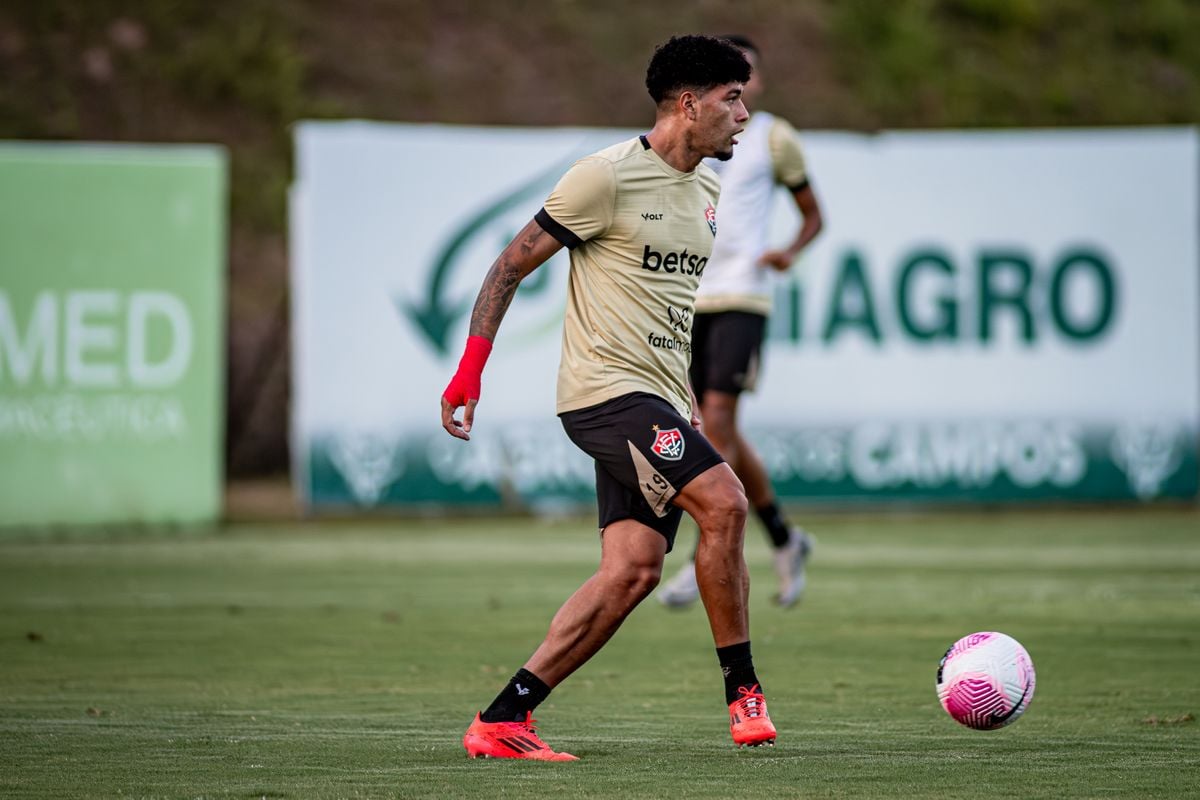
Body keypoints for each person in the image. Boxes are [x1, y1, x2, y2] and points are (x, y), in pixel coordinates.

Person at [441, 35, 775, 761]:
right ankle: (743, 691)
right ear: (688, 104)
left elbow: (666, 312)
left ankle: (503, 720)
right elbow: (508, 266)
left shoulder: (709, 192)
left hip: (654, 401)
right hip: (602, 396)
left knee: (631, 573)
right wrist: (470, 370)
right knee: (726, 502)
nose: (745, 114)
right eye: (732, 99)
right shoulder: (605, 178)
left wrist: (682, 395)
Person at [657, 34, 824, 611]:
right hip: (688, 298)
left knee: (716, 422)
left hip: (742, 297)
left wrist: (788, 251)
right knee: (710, 425)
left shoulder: (773, 137)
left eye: (746, 74)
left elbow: (813, 216)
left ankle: (700, 554)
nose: (740, 87)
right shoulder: (690, 136)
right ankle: (782, 535)